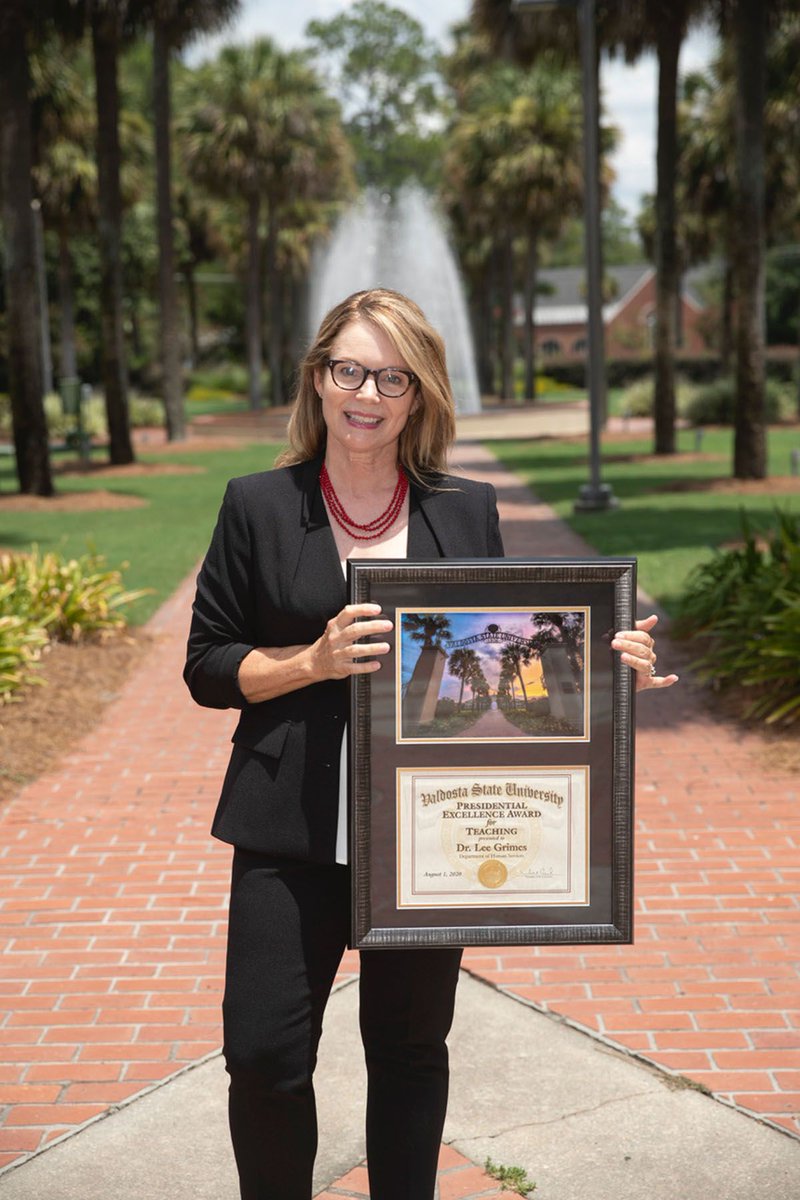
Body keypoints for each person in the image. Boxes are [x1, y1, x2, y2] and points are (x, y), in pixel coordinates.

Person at [184, 288, 677, 1200]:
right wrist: (312, 660)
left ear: (419, 395)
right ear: (319, 378)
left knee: (410, 1053)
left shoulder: (465, 509)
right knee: (262, 1056)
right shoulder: (255, 504)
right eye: (349, 370)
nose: (366, 392)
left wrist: (610, 660)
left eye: (392, 377)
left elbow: (509, 656)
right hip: (286, 828)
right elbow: (208, 665)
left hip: (425, 836)